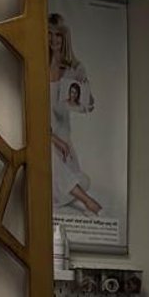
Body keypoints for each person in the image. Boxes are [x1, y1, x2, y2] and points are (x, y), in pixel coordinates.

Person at [48, 12, 101, 217]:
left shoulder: (75, 68)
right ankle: (87, 201)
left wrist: (88, 97)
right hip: (42, 134)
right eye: (49, 34)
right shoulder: (37, 67)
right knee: (49, 156)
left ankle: (74, 191)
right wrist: (52, 139)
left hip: (62, 134)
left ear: (64, 37)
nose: (53, 39)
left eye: (58, 35)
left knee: (77, 179)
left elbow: (88, 105)